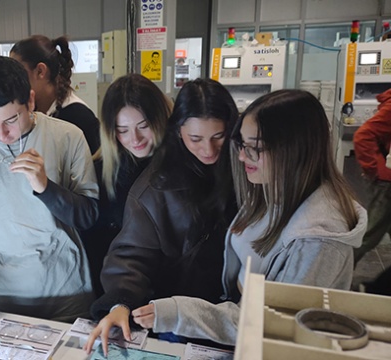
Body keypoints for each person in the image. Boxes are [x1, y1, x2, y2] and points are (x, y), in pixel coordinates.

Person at [118, 90, 367, 351]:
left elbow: (273, 323)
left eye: (254, 148)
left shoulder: (318, 240)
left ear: (294, 151)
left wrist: (179, 312)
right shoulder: (271, 189)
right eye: (241, 144)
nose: (240, 156)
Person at [84, 78, 239, 353]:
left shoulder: (246, 166)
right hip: (182, 317)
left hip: (243, 311)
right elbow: (131, 253)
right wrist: (120, 301)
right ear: (178, 130)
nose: (208, 150)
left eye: (218, 137)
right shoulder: (154, 186)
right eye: (196, 139)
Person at [0, 56, 98, 323]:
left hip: (64, 290)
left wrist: (46, 188)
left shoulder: (68, 137)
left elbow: (88, 216)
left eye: (11, 120)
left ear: (31, 101)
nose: (1, 134)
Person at [81, 74, 171, 297]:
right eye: (123, 130)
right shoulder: (99, 171)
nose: (135, 138)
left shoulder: (178, 168)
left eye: (144, 126)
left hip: (167, 293)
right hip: (115, 290)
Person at [10, 35, 100, 154]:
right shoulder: (29, 112)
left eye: (17, 72)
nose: (12, 80)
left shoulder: (79, 118)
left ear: (40, 71)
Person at [353, 87, 391, 263]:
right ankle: (337, 274)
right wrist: (372, 169)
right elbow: (363, 135)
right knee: (370, 235)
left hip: (384, 178)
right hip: (385, 182)